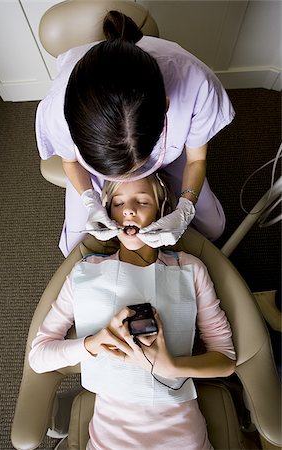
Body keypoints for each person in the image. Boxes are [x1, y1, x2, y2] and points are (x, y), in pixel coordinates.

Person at [29, 173, 236, 450]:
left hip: (181, 437)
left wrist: (171, 367)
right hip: (112, 440)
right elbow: (39, 357)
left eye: (142, 201)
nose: (129, 209)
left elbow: (226, 359)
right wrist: (92, 344)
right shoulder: (85, 271)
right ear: (107, 213)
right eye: (118, 203)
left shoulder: (189, 269)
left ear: (162, 211)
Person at [36, 10, 235, 257]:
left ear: (165, 107)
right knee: (73, 249)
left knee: (213, 229)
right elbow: (70, 161)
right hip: (91, 166)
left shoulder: (196, 85)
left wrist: (185, 207)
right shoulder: (57, 109)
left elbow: (196, 159)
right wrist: (90, 199)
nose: (129, 179)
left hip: (174, 153)